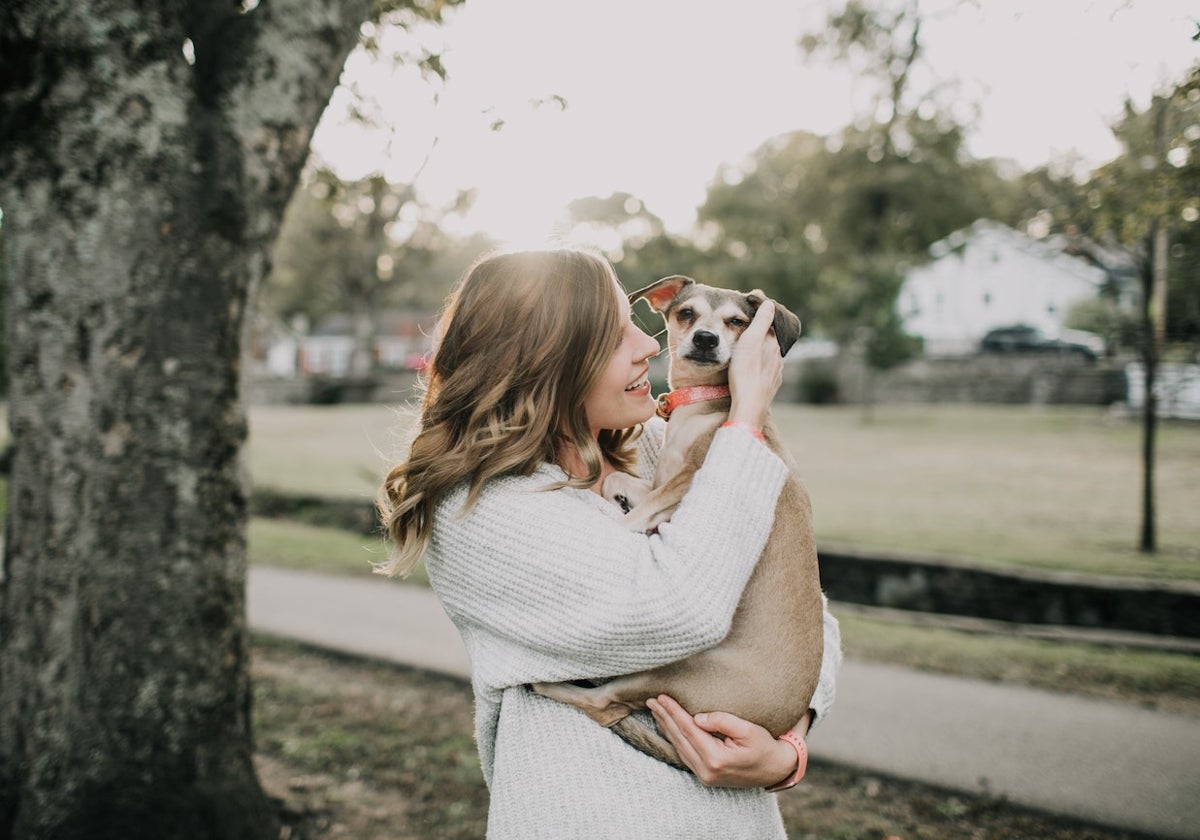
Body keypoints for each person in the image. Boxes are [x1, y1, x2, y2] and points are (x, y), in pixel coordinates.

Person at [377, 248, 842, 839]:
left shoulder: (654, 445)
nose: (649, 343)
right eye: (615, 333)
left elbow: (803, 610)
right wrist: (745, 419)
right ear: (547, 361)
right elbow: (682, 609)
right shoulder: (481, 511)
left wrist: (787, 745)